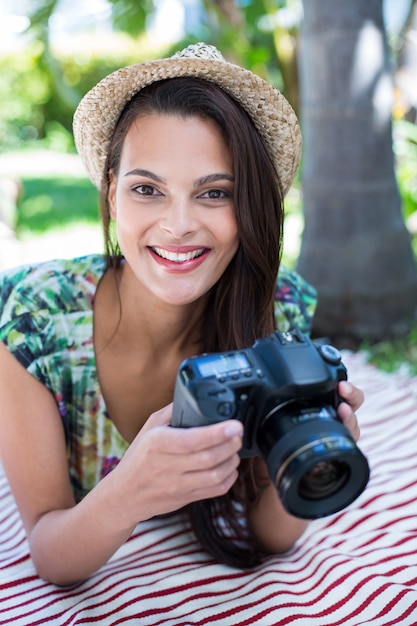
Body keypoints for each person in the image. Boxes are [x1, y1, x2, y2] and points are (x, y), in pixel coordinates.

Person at [0, 43, 364, 586]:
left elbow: (268, 535)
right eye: (147, 189)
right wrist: (130, 490)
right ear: (110, 196)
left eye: (214, 193)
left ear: (250, 208)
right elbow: (53, 557)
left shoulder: (274, 307)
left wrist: (314, 457)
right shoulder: (37, 318)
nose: (178, 225)